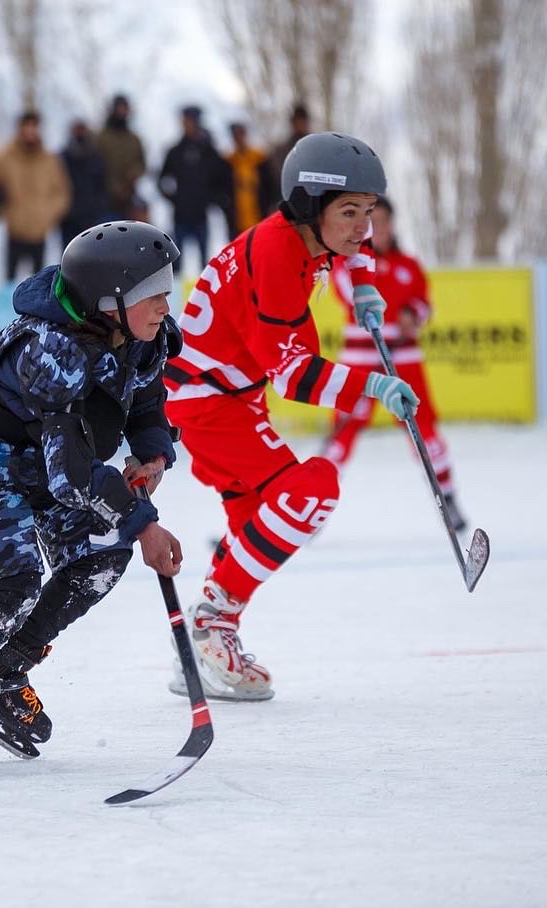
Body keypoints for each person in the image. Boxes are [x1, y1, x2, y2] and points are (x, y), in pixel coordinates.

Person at [0, 220, 185, 771]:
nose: (166, 303)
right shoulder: (51, 348)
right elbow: (70, 475)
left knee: (100, 557)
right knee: (14, 581)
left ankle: (3, 670)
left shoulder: (143, 336)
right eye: (153, 292)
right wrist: (144, 521)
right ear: (109, 300)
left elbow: (144, 403)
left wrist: (153, 453)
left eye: (167, 287)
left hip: (42, 451)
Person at [163, 132, 416, 701]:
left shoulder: (311, 236)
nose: (361, 226)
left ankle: (196, 652)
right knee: (311, 491)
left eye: (369, 211)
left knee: (256, 525)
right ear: (308, 206)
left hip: (229, 397)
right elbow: (296, 375)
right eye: (349, 211)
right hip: (208, 403)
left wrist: (367, 286)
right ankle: (210, 627)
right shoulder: (276, 256)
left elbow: (358, 248)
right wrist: (373, 386)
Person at [324, 195, 466, 532]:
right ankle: (311, 509)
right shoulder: (350, 262)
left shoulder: (409, 265)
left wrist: (412, 313)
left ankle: (448, 498)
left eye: (384, 220)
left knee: (424, 431)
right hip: (360, 361)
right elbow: (346, 293)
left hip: (402, 359)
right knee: (340, 438)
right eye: (373, 220)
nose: (379, 227)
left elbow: (424, 304)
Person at [0, 111, 72, 279]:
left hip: (39, 233)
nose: (30, 131)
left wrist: (47, 216)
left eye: (33, 127)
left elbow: (62, 193)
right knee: (9, 281)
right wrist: (7, 213)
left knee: (39, 282)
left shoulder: (50, 160)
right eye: (26, 126)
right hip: (14, 231)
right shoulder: (4, 158)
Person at [158, 105, 223, 266]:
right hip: (181, 216)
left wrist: (211, 200)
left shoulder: (208, 151)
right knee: (176, 263)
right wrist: (174, 199)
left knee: (204, 264)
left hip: (201, 215)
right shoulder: (175, 151)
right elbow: (162, 179)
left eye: (189, 121)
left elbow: (220, 178)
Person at [94, 94, 146, 220]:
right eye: (120, 108)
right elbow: (94, 167)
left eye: (125, 108)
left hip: (128, 202)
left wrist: (131, 177)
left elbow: (141, 164)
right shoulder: (101, 138)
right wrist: (114, 187)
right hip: (104, 201)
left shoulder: (134, 139)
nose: (123, 112)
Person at [59, 120, 109, 245]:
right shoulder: (63, 158)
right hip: (68, 219)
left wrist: (98, 209)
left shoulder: (95, 157)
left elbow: (102, 186)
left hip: (91, 218)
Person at [260, 103, 312, 213]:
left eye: (303, 121)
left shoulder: (318, 149)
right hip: (285, 206)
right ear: (292, 123)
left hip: (312, 207)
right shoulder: (280, 151)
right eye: (298, 121)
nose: (300, 125)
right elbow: (273, 182)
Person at [223, 122, 268, 235]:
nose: (238, 138)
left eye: (240, 134)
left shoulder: (259, 158)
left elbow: (269, 186)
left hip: (258, 218)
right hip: (237, 221)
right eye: (235, 135)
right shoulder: (228, 161)